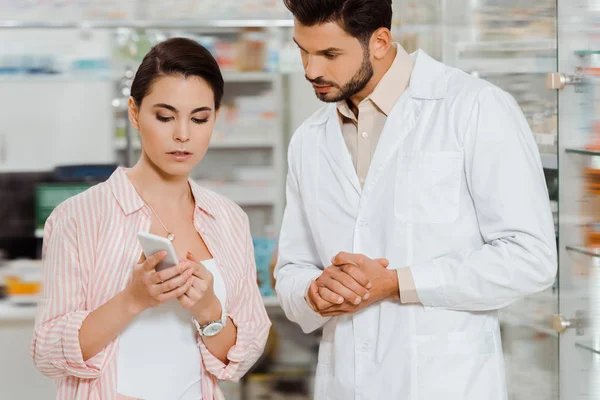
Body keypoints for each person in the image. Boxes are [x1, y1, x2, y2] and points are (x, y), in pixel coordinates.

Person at [274, 1, 557, 399]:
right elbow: (291, 269)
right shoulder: (309, 138)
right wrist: (313, 291)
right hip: (345, 384)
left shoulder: (473, 107)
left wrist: (395, 283)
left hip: (445, 383)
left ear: (380, 42)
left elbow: (531, 257)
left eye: (329, 54)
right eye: (302, 49)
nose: (310, 70)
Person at [31, 38, 271, 400]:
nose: (183, 135)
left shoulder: (228, 219)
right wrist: (132, 299)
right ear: (134, 112)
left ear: (215, 118)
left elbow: (241, 355)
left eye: (200, 118)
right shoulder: (78, 216)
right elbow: (47, 351)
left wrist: (209, 311)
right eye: (165, 116)